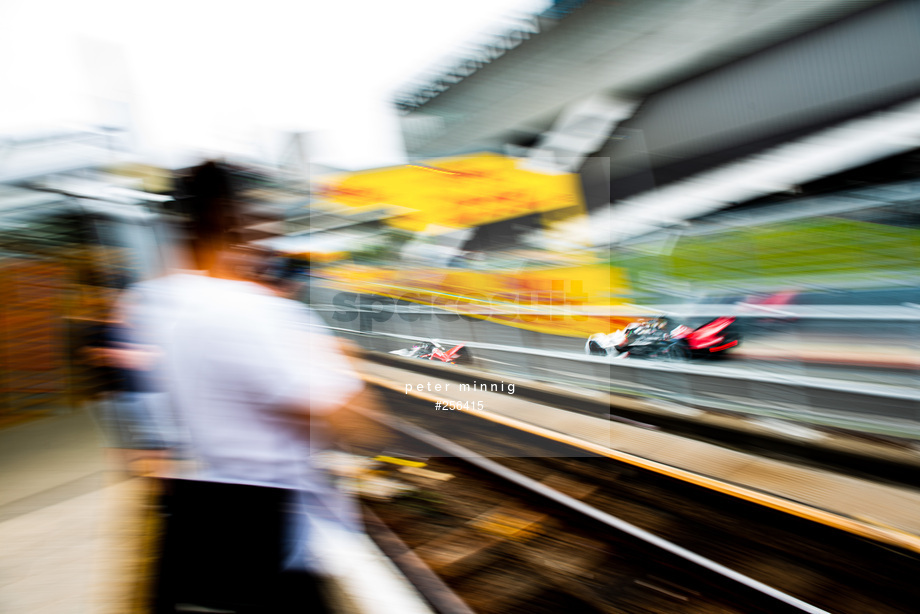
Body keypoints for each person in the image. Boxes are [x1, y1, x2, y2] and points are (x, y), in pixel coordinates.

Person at [126, 161, 380, 613]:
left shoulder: (159, 307)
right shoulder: (255, 312)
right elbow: (358, 422)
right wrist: (340, 358)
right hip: (272, 540)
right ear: (233, 219)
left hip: (209, 524)